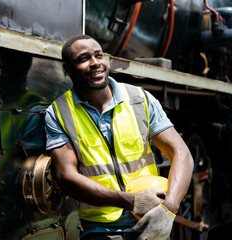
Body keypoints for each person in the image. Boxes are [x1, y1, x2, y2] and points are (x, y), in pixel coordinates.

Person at [44, 34, 194, 240]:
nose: (95, 63)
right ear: (67, 69)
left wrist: (169, 207)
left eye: (99, 55)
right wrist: (130, 201)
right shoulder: (59, 112)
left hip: (151, 217)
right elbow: (66, 176)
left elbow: (181, 153)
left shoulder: (139, 99)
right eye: (84, 58)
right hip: (98, 228)